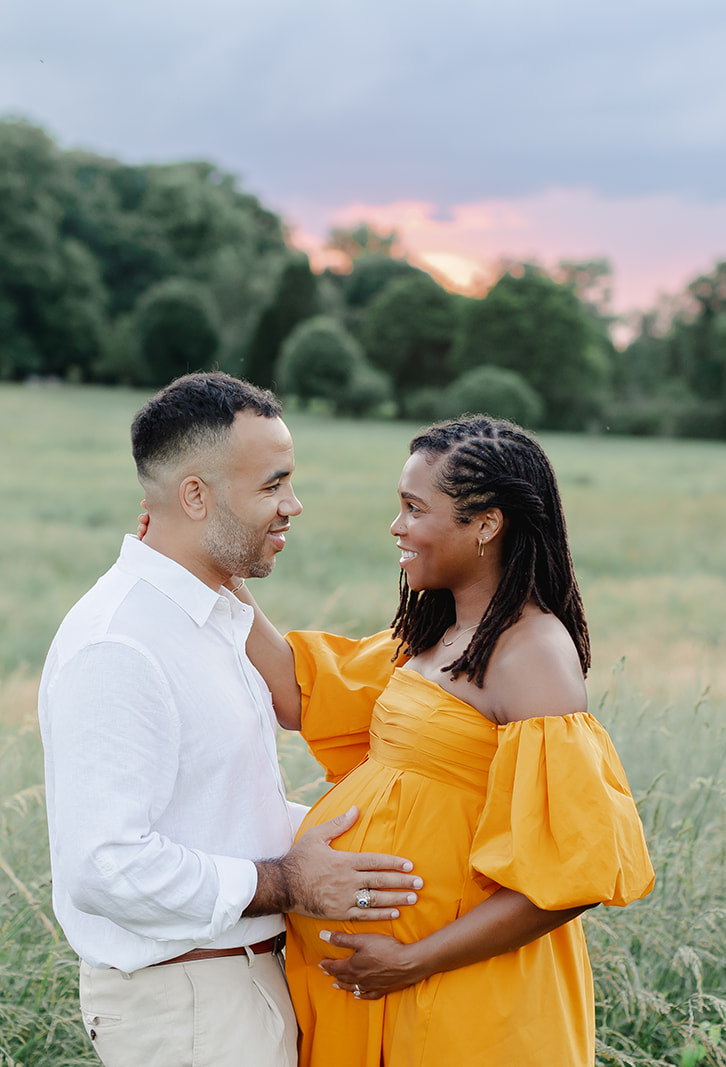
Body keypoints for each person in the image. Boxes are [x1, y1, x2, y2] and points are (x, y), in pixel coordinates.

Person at [236, 415, 656, 1066]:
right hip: (378, 993)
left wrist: (409, 960)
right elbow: (300, 689)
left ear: (486, 523)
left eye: (413, 508)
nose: (397, 526)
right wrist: (214, 575)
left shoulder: (532, 654)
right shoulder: (434, 633)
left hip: (464, 1001)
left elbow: (570, 878)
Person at [38, 372, 423, 1067]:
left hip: (237, 983)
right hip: (184, 1005)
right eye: (273, 485)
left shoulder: (213, 617)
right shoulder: (119, 643)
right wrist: (289, 882)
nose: (293, 505)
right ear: (195, 495)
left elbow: (217, 807)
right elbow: (104, 864)